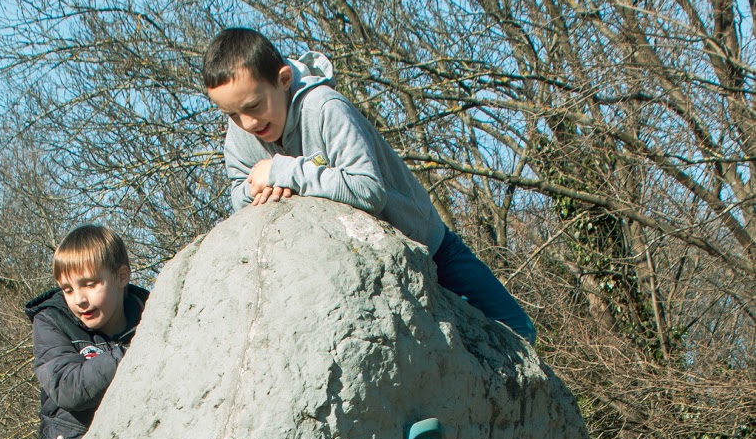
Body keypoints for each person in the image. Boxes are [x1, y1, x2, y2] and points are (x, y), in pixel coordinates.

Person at [203, 28, 536, 343]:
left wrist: (284, 172)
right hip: (365, 274)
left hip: (425, 244)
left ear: (284, 79)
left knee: (519, 331)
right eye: (232, 115)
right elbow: (240, 196)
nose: (247, 122)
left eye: (253, 106)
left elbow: (367, 190)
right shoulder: (241, 134)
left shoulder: (325, 108)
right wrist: (263, 187)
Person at [24, 225, 150, 439]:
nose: (79, 299)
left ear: (121, 276)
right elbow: (66, 386)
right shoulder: (51, 321)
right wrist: (127, 356)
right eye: (68, 290)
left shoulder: (153, 315)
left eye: (90, 285)